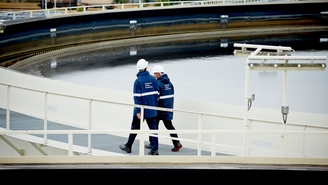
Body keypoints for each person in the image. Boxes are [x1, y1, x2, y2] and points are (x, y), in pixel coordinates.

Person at [119, 59, 160, 155]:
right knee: (153, 129)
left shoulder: (138, 81)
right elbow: (157, 93)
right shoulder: (153, 79)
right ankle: (154, 149)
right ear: (146, 67)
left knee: (134, 128)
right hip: (152, 109)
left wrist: (138, 111)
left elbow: (137, 98)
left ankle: (128, 146)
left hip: (141, 111)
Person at [145, 65, 182, 152]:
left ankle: (152, 143)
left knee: (154, 126)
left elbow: (156, 98)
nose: (153, 76)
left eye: (154, 74)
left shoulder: (158, 84)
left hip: (159, 109)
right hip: (168, 109)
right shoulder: (170, 84)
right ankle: (177, 143)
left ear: (158, 74)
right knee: (169, 126)